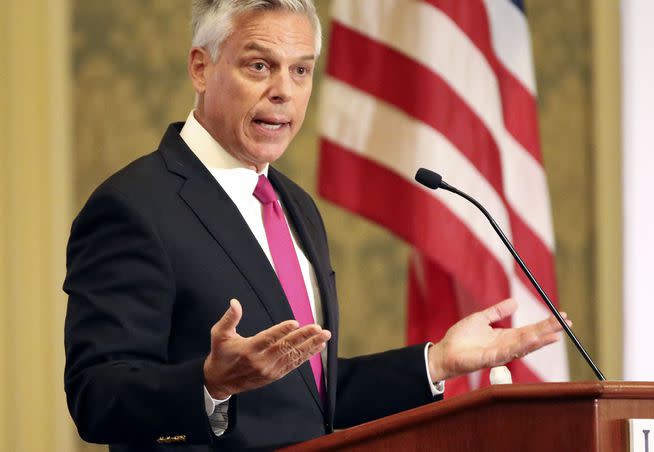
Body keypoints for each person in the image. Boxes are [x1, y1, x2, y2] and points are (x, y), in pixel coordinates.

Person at [63, 1, 569, 450]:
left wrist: (436, 363)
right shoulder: (133, 207)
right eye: (259, 66)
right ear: (201, 67)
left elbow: (312, 400)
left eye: (301, 70)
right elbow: (96, 396)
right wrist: (209, 385)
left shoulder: (294, 205)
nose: (284, 91)